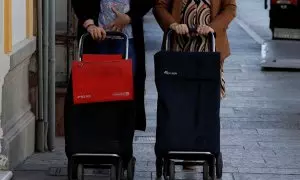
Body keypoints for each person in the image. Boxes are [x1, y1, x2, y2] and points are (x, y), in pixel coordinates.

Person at [70, 0, 155, 131]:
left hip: (128, 39)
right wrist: (90, 24)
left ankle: (122, 143)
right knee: (94, 93)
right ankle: (97, 138)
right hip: (96, 37)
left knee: (126, 94)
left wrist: (129, 16)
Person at [153, 0, 236, 99]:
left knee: (209, 98)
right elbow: (159, 7)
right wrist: (173, 24)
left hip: (210, 47)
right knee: (178, 99)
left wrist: (213, 27)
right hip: (179, 47)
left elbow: (230, 8)